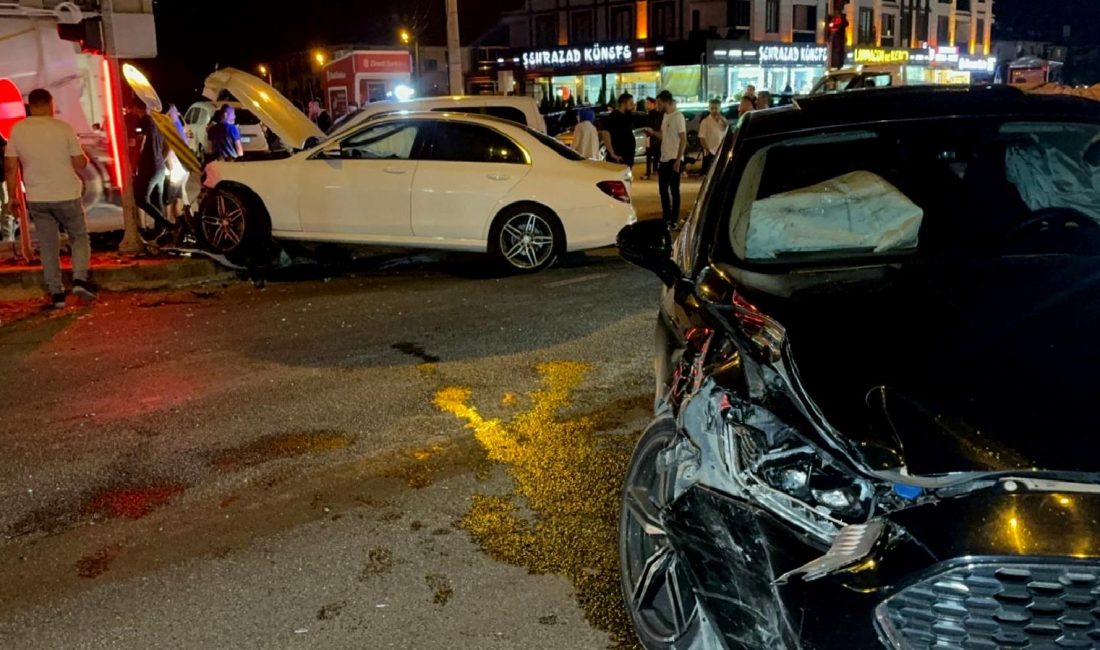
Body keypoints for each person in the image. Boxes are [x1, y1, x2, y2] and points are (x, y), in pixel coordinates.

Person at [3, 89, 95, 308]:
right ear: (50, 104)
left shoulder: (18, 130)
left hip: (37, 197)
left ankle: (57, 294)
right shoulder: (63, 128)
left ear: (30, 106)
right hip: (67, 194)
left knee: (47, 245)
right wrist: (84, 155)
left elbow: (10, 167)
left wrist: (12, 197)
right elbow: (80, 163)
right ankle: (79, 279)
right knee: (79, 236)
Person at [128, 95, 170, 234]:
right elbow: (167, 145)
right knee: (157, 200)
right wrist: (161, 159)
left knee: (140, 199)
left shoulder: (143, 122)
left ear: (136, 108)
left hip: (148, 167)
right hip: (160, 167)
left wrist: (134, 164)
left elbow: (141, 143)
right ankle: (160, 230)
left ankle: (167, 224)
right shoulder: (158, 122)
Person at [656, 90, 687, 227]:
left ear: (665, 102)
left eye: (659, 103)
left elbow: (683, 139)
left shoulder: (678, 116)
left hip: (674, 158)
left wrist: (678, 159)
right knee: (663, 190)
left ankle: (674, 219)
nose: (657, 106)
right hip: (664, 158)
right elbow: (664, 136)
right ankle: (666, 217)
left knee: (674, 190)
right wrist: (653, 133)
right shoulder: (665, 116)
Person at [602, 92, 637, 169]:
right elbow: (606, 134)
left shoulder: (628, 116)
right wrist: (612, 153)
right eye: (630, 103)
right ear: (623, 103)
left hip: (628, 156)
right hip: (618, 157)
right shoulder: (612, 117)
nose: (633, 105)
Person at [698, 98, 729, 173]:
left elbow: (728, 128)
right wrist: (708, 150)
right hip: (710, 152)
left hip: (720, 151)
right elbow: (702, 138)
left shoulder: (723, 120)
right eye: (712, 108)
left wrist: (721, 118)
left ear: (719, 108)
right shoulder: (705, 121)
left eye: (716, 108)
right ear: (709, 108)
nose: (714, 110)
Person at [644, 97, 663, 180]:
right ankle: (654, 170)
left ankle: (649, 172)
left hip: (654, 137)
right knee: (654, 155)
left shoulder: (654, 114)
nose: (645, 105)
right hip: (651, 137)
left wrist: (651, 131)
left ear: (652, 104)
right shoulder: (650, 114)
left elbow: (655, 126)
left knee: (651, 154)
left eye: (647, 103)